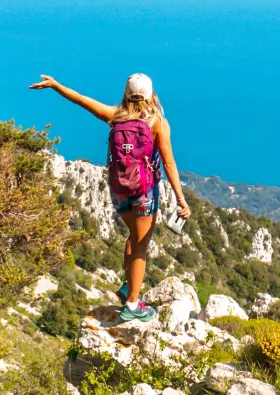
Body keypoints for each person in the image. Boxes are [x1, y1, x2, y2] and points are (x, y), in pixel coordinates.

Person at [30, 72, 190, 321]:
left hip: (119, 190)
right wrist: (180, 199)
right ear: (151, 95)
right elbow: (168, 163)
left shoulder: (115, 116)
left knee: (133, 236)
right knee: (140, 247)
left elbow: (81, 99)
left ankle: (128, 287)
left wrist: (56, 85)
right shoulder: (157, 122)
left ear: (126, 94)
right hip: (144, 193)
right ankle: (133, 306)